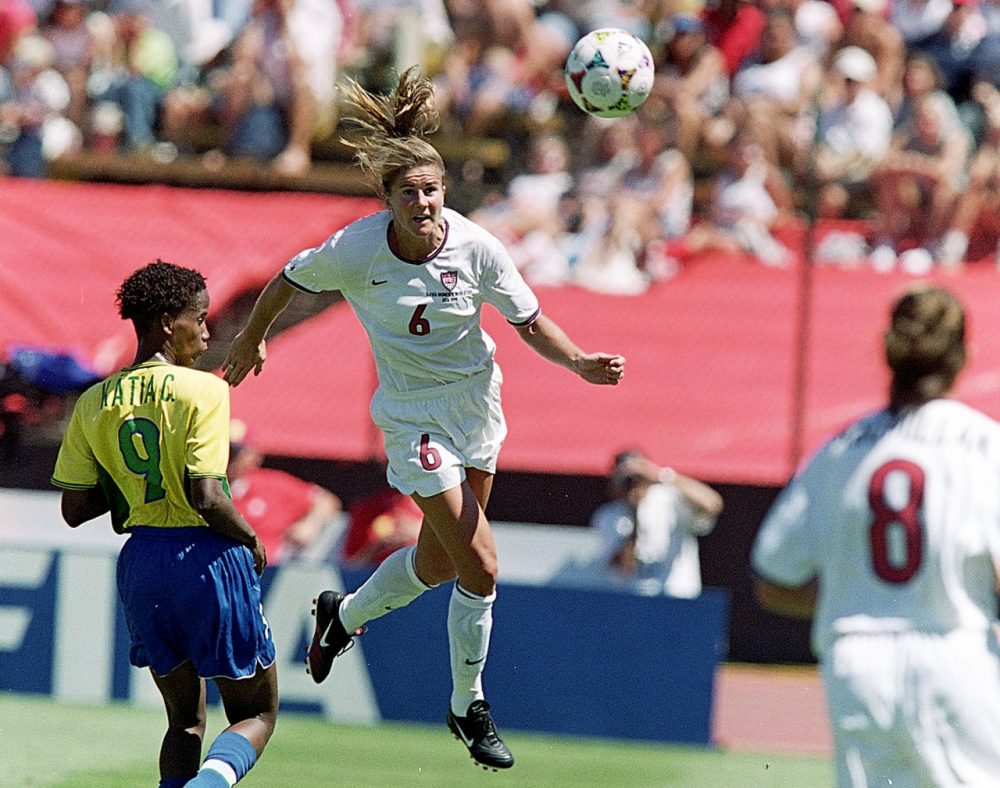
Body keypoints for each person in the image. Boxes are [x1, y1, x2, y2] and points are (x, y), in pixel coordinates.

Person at [221, 66, 626, 771]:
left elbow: (529, 324)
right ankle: (468, 705)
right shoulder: (357, 249)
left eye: (432, 191)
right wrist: (253, 337)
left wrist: (581, 363)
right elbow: (286, 280)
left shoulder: (477, 247)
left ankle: (340, 615)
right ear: (387, 200)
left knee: (442, 564)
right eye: (408, 193)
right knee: (483, 566)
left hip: (477, 406)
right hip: (412, 420)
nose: (423, 204)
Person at [752, 284, 1000, 787]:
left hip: (857, 664)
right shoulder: (984, 444)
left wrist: (854, 595)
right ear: (965, 356)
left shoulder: (841, 449)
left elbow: (773, 578)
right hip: (952, 650)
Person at [50, 261, 278, 788]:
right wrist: (249, 537)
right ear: (166, 322)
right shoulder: (204, 391)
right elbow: (207, 497)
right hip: (205, 559)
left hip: (143, 564)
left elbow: (75, 508)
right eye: (198, 318)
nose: (207, 329)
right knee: (256, 713)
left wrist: (133, 480)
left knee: (184, 720)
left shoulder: (93, 402)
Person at [591, 449, 724, 598]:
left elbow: (713, 503)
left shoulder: (668, 499)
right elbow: (622, 568)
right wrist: (634, 515)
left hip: (678, 595)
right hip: (634, 601)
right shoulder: (609, 516)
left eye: (637, 477)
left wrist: (660, 474)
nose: (634, 484)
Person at [227, 421, 342, 564]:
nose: (229, 458)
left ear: (253, 455)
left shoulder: (272, 484)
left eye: (236, 452)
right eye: (225, 451)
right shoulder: (205, 488)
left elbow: (326, 501)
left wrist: (310, 524)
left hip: (269, 568)